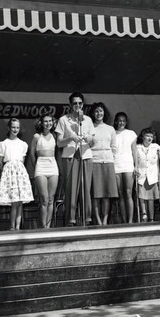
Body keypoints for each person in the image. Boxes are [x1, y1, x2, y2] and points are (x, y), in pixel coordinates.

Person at [55, 92, 94, 226]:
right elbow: (59, 143)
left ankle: (86, 218)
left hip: (86, 155)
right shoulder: (63, 120)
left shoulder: (87, 120)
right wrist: (71, 138)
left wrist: (90, 139)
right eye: (75, 103)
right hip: (70, 156)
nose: (77, 106)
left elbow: (93, 141)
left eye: (80, 103)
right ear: (70, 105)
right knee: (71, 189)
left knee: (86, 188)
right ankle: (70, 219)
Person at [0, 118, 34, 230]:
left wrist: (21, 174)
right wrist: (4, 176)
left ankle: (18, 226)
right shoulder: (3, 144)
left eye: (17, 127)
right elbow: (0, 162)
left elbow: (22, 161)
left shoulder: (23, 145)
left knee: (20, 201)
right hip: (9, 172)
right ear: (9, 128)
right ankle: (12, 226)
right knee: (14, 201)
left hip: (19, 172)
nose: (15, 129)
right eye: (13, 127)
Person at [89, 102, 118, 225]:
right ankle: (98, 220)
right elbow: (88, 146)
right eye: (96, 111)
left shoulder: (110, 129)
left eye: (101, 111)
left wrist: (111, 158)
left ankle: (105, 220)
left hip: (108, 162)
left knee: (107, 194)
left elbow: (114, 147)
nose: (99, 113)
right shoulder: (90, 128)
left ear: (104, 112)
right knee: (97, 194)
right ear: (93, 114)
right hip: (95, 162)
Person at [30, 111, 59, 228]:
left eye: (50, 121)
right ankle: (43, 228)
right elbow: (32, 154)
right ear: (41, 123)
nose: (48, 123)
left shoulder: (55, 136)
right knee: (44, 199)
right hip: (41, 166)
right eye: (45, 121)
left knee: (51, 199)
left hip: (53, 166)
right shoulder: (37, 137)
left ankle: (48, 226)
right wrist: (36, 166)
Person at [135, 127, 160, 222]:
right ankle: (144, 213)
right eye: (147, 136)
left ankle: (151, 218)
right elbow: (134, 161)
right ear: (143, 136)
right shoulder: (137, 147)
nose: (149, 138)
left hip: (152, 175)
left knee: (151, 197)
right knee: (142, 195)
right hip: (141, 174)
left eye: (151, 136)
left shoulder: (156, 147)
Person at [113, 112, 137, 224]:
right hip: (116, 165)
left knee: (128, 193)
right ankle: (124, 220)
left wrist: (136, 166)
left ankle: (130, 221)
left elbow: (134, 151)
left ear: (126, 122)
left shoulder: (131, 133)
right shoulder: (112, 133)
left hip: (128, 165)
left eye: (124, 120)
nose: (121, 122)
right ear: (116, 121)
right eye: (119, 120)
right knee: (120, 194)